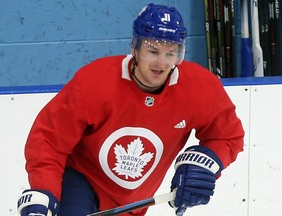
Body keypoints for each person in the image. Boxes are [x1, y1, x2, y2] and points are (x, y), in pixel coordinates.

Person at [17, 3, 244, 216]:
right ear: (134, 47)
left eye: (171, 53)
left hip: (134, 203)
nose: (161, 63)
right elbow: (49, 139)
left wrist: (205, 162)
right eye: (152, 51)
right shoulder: (94, 81)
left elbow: (228, 136)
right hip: (82, 181)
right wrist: (44, 189)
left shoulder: (199, 87)